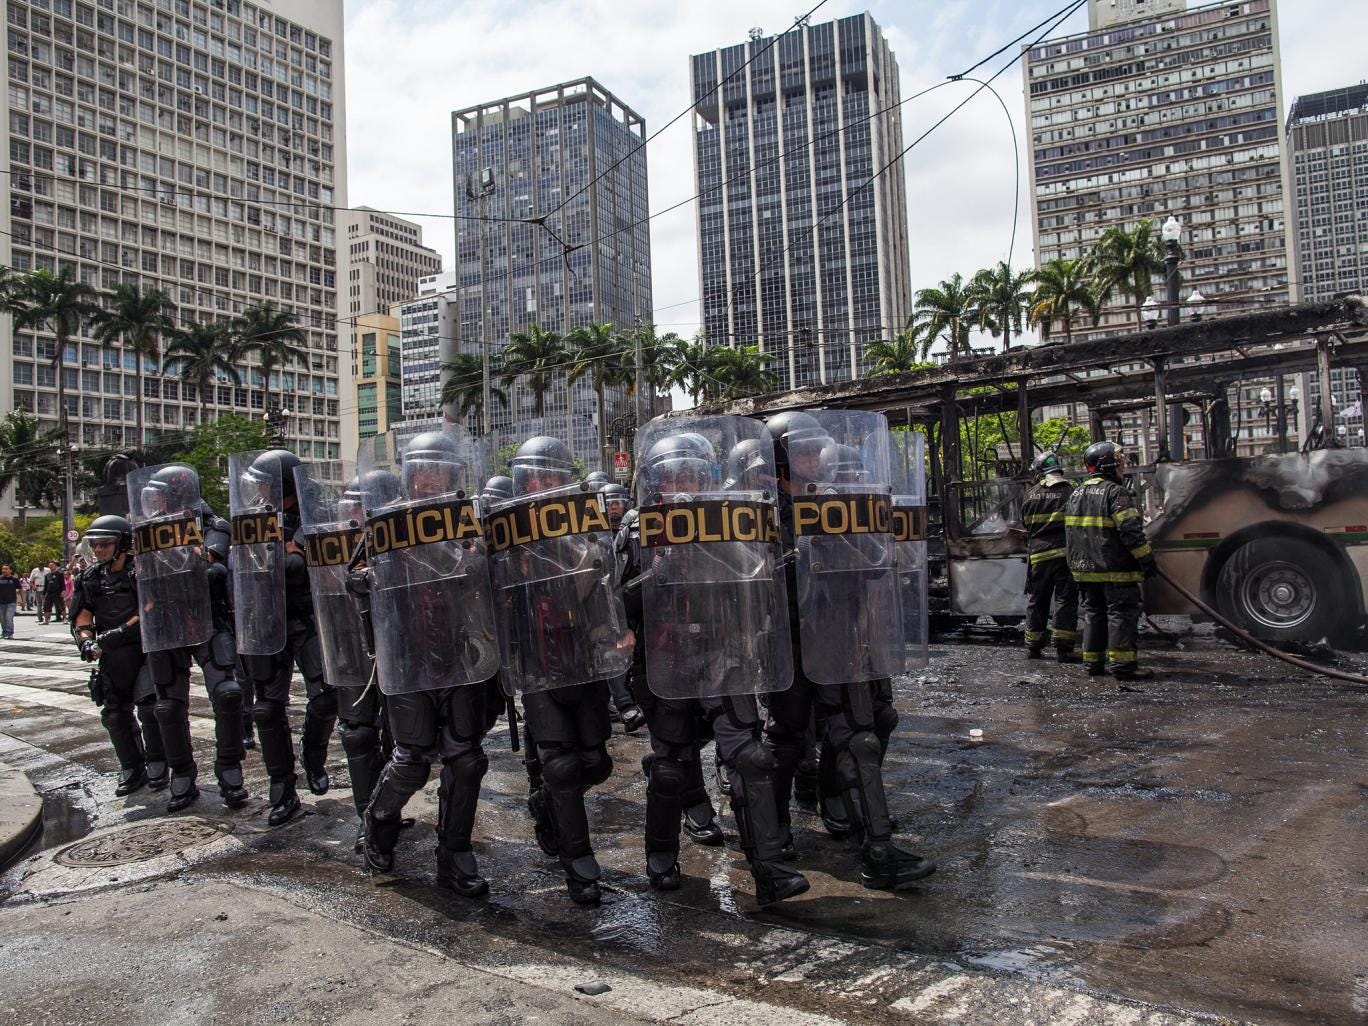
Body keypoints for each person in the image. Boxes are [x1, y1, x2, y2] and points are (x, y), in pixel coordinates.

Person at [764, 411, 936, 891]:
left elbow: (877, 566)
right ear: (780, 458)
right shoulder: (761, 511)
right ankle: (770, 840)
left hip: (841, 639)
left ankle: (877, 848)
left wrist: (863, 544)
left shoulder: (839, 504)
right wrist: (794, 560)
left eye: (814, 449)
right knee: (783, 742)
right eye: (800, 450)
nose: (812, 458)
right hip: (791, 645)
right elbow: (750, 582)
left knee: (857, 737)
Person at [623, 431, 796, 904]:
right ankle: (660, 857)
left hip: (724, 653)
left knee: (751, 758)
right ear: (658, 480)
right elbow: (619, 601)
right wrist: (661, 569)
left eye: (694, 473)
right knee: (670, 769)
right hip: (667, 658)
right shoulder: (639, 526)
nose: (685, 482)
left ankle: (770, 867)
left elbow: (756, 575)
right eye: (675, 474)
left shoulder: (728, 518)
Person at [359, 433, 501, 897]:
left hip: (459, 652)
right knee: (411, 761)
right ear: (409, 473)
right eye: (424, 469)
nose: (432, 477)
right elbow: (352, 576)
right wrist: (365, 580)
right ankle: (379, 821)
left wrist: (480, 557)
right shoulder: (387, 519)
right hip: (407, 653)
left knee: (466, 759)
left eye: (440, 469)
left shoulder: (469, 521)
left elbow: (494, 576)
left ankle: (455, 851)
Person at [492, 435, 629, 905]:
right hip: (537, 662)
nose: (545, 484)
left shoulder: (583, 524)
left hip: (585, 659)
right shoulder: (506, 529)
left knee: (595, 761)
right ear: (525, 479)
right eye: (537, 476)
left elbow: (607, 582)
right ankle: (580, 867)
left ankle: (547, 801)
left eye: (553, 475)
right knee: (563, 764)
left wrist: (617, 630)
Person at [135, 464, 248, 812]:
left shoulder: (214, 526)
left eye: (160, 495)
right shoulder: (146, 532)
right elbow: (137, 575)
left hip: (207, 618)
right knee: (167, 706)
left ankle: (229, 767)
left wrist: (179, 546)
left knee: (228, 694)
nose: (154, 502)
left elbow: (211, 566)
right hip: (165, 622)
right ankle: (182, 772)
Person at [238, 449, 337, 826]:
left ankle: (313, 755)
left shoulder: (317, 513)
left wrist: (285, 553)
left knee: (327, 697)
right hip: (267, 619)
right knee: (266, 708)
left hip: (309, 617)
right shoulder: (251, 520)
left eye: (265, 483)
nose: (259, 490)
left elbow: (300, 566)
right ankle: (283, 788)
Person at [69, 516, 168, 796]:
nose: (99, 550)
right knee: (114, 713)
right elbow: (82, 616)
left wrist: (123, 630)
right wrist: (87, 642)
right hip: (112, 655)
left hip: (143, 649)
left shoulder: (140, 571)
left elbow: (150, 606)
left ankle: (158, 762)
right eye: (95, 545)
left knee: (149, 707)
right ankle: (131, 766)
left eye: (105, 544)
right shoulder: (89, 577)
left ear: (122, 543)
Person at [1065, 441, 1156, 680]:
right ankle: (1123, 666)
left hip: (1085, 569)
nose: (1121, 466)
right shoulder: (1115, 492)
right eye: (1118, 461)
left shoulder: (1076, 493)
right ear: (1107, 464)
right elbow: (1130, 531)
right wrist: (1146, 559)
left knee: (1093, 613)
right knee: (1121, 613)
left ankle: (1093, 664)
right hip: (1114, 568)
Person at [1021, 451, 1080, 663]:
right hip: (1065, 555)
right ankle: (1064, 649)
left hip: (1038, 555)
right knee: (1065, 599)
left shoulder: (1030, 494)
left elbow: (1026, 523)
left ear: (1038, 471)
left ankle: (1033, 646)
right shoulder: (1070, 491)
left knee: (1038, 600)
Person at [0, 564, 19, 639]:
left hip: (11, 602)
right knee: (2, 618)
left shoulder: (14, 579)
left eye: (6, 569)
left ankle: (10, 633)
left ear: (10, 570)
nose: (4, 570)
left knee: (8, 617)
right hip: (1, 602)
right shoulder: (0, 578)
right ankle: (4, 632)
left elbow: (20, 589)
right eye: (3, 569)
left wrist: (23, 601)